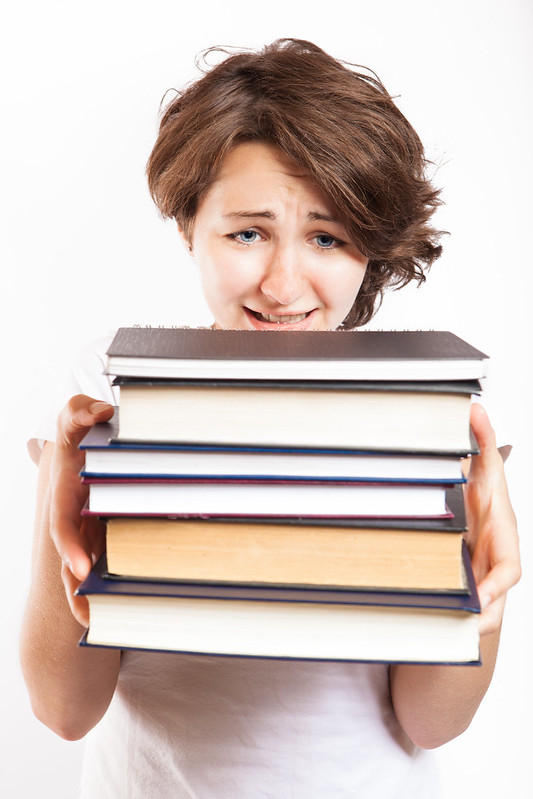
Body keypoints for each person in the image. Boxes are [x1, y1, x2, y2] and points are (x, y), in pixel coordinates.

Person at [20, 39, 520, 798]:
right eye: (247, 232)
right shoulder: (108, 391)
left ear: (369, 250)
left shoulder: (431, 413)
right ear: (190, 225)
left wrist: (477, 593)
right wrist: (71, 497)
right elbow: (63, 710)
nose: (284, 284)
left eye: (326, 237)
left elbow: (431, 722)